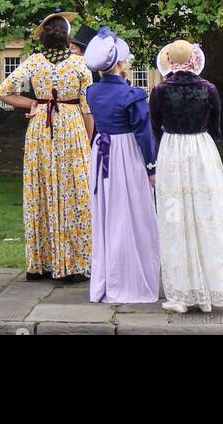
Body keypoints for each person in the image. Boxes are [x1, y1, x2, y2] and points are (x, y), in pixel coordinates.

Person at [0, 12, 94, 281]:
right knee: (74, 192)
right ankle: (71, 265)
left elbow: (3, 91)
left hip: (42, 128)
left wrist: (32, 104)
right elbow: (87, 108)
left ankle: (40, 264)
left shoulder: (33, 63)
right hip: (71, 127)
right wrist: (87, 142)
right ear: (67, 37)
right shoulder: (79, 65)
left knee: (41, 189)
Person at [149, 40, 223, 313]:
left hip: (173, 152)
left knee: (175, 217)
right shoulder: (209, 89)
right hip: (202, 152)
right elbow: (216, 126)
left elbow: (155, 126)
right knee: (206, 216)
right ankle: (211, 289)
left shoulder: (159, 90)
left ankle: (183, 292)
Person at [83, 27, 159, 304]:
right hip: (126, 155)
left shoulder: (93, 91)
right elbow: (144, 134)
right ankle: (130, 278)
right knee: (133, 214)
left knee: (108, 214)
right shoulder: (132, 95)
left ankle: (109, 276)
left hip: (102, 152)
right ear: (119, 64)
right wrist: (151, 167)